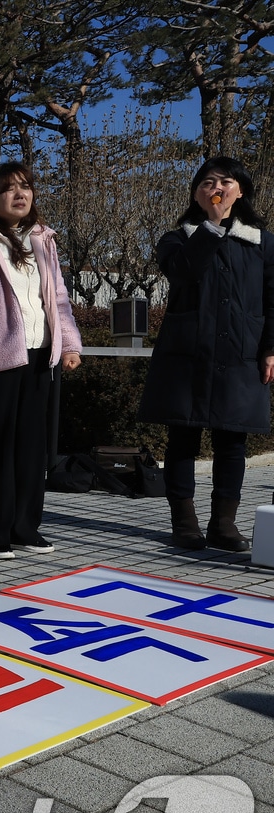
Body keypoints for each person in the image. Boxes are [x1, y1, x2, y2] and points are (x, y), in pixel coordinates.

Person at [138, 157, 274, 552]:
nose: (216, 188)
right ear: (196, 194)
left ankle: (223, 524)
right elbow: (183, 273)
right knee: (183, 438)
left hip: (241, 354)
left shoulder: (263, 243)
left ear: (241, 191)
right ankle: (184, 522)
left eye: (225, 182)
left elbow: (272, 299)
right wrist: (211, 226)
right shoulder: (176, 238)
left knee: (233, 442)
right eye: (207, 182)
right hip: (188, 354)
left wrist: (270, 348)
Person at [0, 163, 82, 560]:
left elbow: (57, 299)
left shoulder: (43, 239)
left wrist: (69, 344)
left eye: (25, 186)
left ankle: (24, 528)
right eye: (8, 189)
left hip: (40, 355)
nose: (20, 194)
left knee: (30, 448)